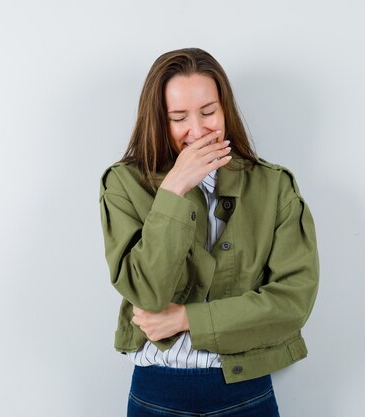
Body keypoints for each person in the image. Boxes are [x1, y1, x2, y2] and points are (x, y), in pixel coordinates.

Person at [99, 48, 319, 417]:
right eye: (179, 117)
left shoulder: (274, 185)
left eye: (209, 112)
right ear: (158, 120)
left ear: (225, 109)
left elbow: (292, 302)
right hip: (157, 392)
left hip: (245, 389)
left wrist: (187, 319)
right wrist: (174, 190)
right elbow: (145, 292)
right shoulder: (123, 184)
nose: (198, 131)